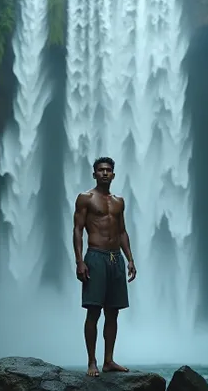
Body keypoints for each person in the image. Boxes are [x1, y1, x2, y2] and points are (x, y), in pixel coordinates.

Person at [72, 156, 137, 377]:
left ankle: (109, 360)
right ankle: (92, 362)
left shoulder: (119, 202)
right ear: (94, 174)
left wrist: (130, 259)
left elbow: (122, 232)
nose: (105, 173)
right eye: (101, 170)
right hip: (96, 257)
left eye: (108, 170)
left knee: (113, 312)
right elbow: (78, 230)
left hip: (115, 258)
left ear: (114, 174)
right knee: (93, 311)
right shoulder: (85, 198)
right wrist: (80, 261)